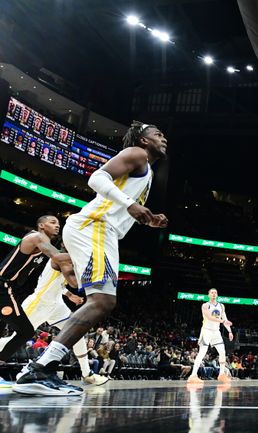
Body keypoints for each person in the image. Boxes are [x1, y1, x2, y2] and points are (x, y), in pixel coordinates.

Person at [14, 122, 168, 396]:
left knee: (101, 301)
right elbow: (96, 179)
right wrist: (131, 204)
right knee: (102, 301)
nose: (163, 137)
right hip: (94, 227)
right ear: (143, 140)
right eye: (157, 133)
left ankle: (41, 367)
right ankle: (39, 369)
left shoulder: (147, 171)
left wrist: (147, 217)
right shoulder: (137, 154)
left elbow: (120, 205)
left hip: (102, 231)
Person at [0, 250, 108, 386]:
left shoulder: (73, 259)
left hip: (56, 304)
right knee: (15, 340)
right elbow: (74, 283)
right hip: (39, 304)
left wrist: (69, 295)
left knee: (77, 333)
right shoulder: (61, 258)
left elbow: (60, 284)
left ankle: (87, 374)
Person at [1, 216, 72, 368]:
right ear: (41, 225)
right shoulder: (37, 237)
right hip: (2, 286)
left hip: (9, 289)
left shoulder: (43, 244)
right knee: (25, 331)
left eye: (58, 224)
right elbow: (58, 257)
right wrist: (88, 254)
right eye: (53, 223)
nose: (57, 226)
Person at [187, 289, 234, 386]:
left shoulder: (221, 306)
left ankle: (221, 374)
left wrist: (229, 331)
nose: (214, 294)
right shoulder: (205, 305)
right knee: (202, 353)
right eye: (212, 293)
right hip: (206, 331)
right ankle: (193, 375)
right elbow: (209, 317)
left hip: (216, 332)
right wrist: (223, 322)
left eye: (215, 292)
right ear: (208, 295)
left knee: (222, 352)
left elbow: (225, 319)